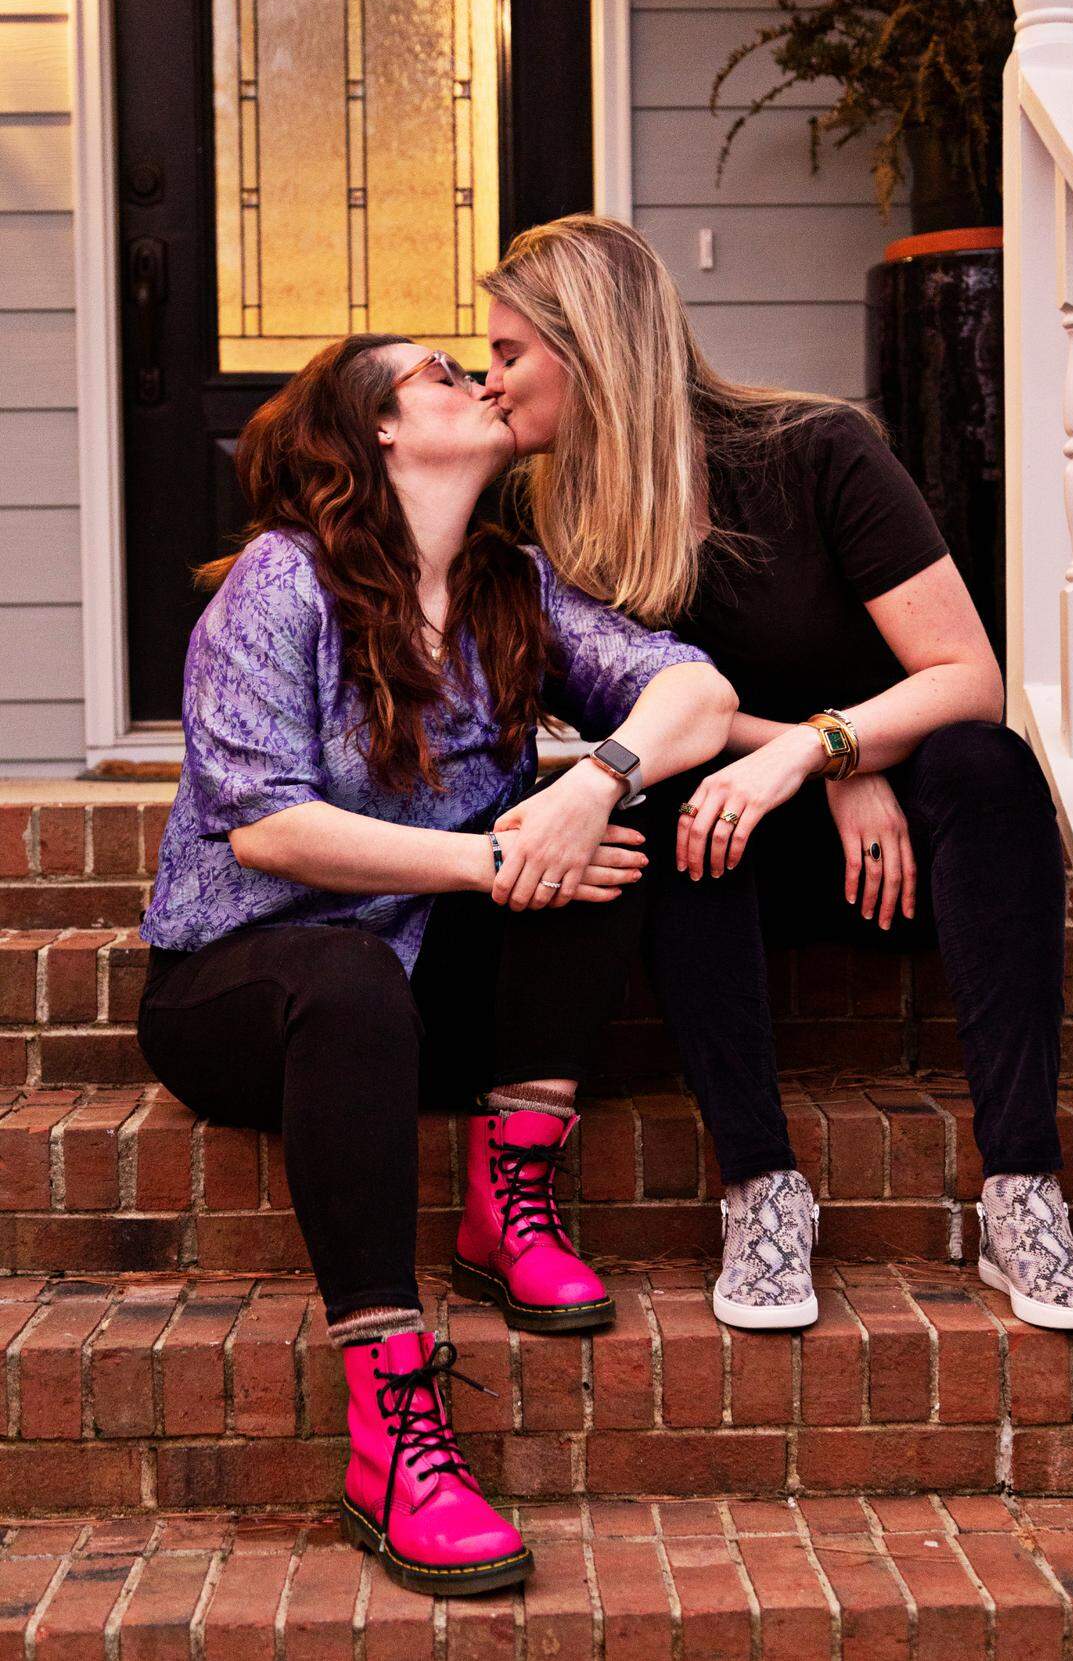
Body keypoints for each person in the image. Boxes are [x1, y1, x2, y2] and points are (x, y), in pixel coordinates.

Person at [135, 332, 736, 1594]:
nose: (480, 379)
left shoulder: (512, 581)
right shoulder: (282, 582)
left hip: (420, 991)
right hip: (243, 985)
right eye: (441, 373)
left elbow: (695, 693)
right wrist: (496, 857)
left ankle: (508, 1196)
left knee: (608, 828)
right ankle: (392, 1426)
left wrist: (593, 785)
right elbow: (267, 826)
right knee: (363, 966)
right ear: (378, 431)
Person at [478, 213, 1073, 1337]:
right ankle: (762, 1189)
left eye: (507, 352)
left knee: (990, 764)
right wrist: (815, 762)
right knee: (666, 796)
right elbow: (658, 720)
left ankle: (1024, 1188)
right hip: (728, 858)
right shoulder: (540, 515)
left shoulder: (817, 450)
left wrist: (821, 748)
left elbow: (968, 678)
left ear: (587, 348)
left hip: (907, 859)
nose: (488, 382)